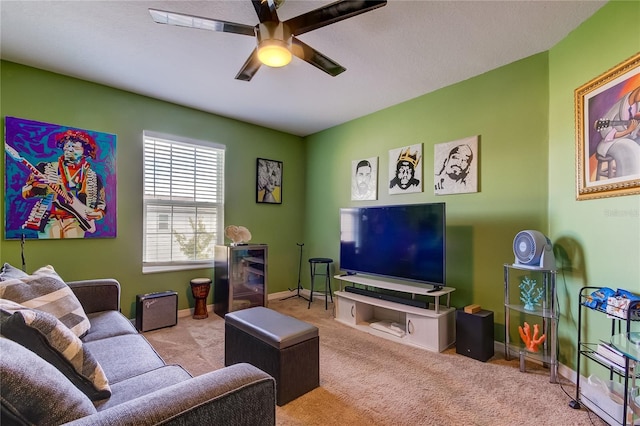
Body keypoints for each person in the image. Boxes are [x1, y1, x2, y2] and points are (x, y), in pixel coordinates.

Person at [21, 129, 106, 238]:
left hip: (77, 222)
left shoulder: (93, 177)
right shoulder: (46, 168)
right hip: (50, 219)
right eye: (67, 146)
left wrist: (98, 213)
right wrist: (42, 187)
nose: (69, 149)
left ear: (85, 152)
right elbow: (25, 192)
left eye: (75, 147)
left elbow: (101, 202)